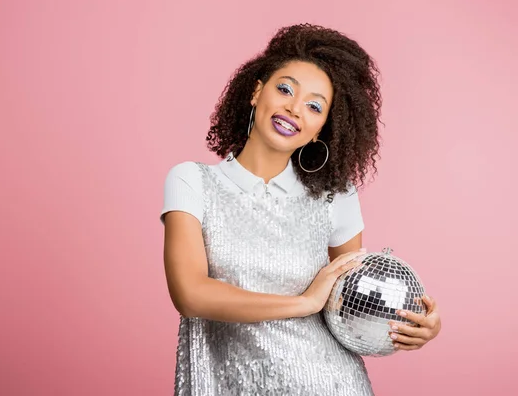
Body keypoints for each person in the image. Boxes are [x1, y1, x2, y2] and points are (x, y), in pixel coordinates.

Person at [160, 24, 441, 396]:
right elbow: (191, 294)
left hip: (329, 383)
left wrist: (413, 325)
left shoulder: (335, 195)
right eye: (285, 89)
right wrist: (304, 302)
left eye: (314, 106)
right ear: (257, 92)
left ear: (321, 128)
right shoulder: (191, 181)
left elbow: (352, 306)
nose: (294, 108)